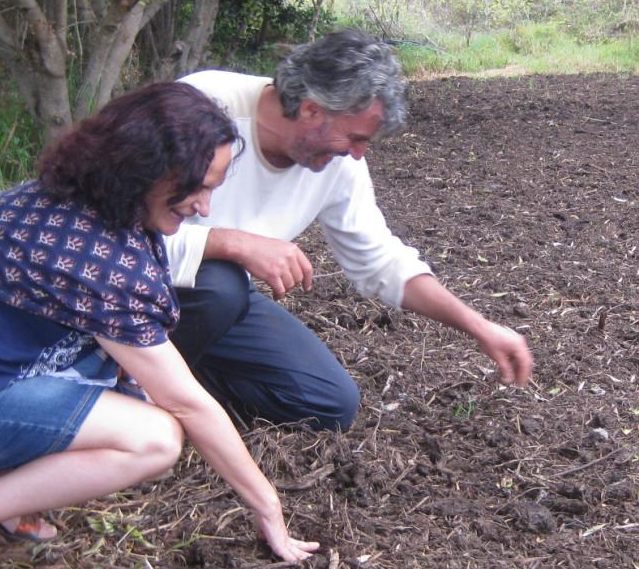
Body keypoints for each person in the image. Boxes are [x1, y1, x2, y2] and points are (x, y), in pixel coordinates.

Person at [0, 83, 318, 569]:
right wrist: (267, 504)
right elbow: (187, 402)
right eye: (195, 186)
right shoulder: (95, 255)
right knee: (154, 439)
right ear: (144, 167)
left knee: (130, 393)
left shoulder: (78, 203)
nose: (205, 208)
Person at [167, 30, 533, 432]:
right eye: (355, 138)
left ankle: (183, 392)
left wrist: (478, 327)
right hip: (139, 292)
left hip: (217, 306)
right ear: (310, 109)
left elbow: (379, 261)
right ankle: (133, 389)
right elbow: (116, 237)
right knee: (220, 284)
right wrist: (229, 243)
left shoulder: (340, 165)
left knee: (327, 402)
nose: (358, 154)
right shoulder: (201, 106)